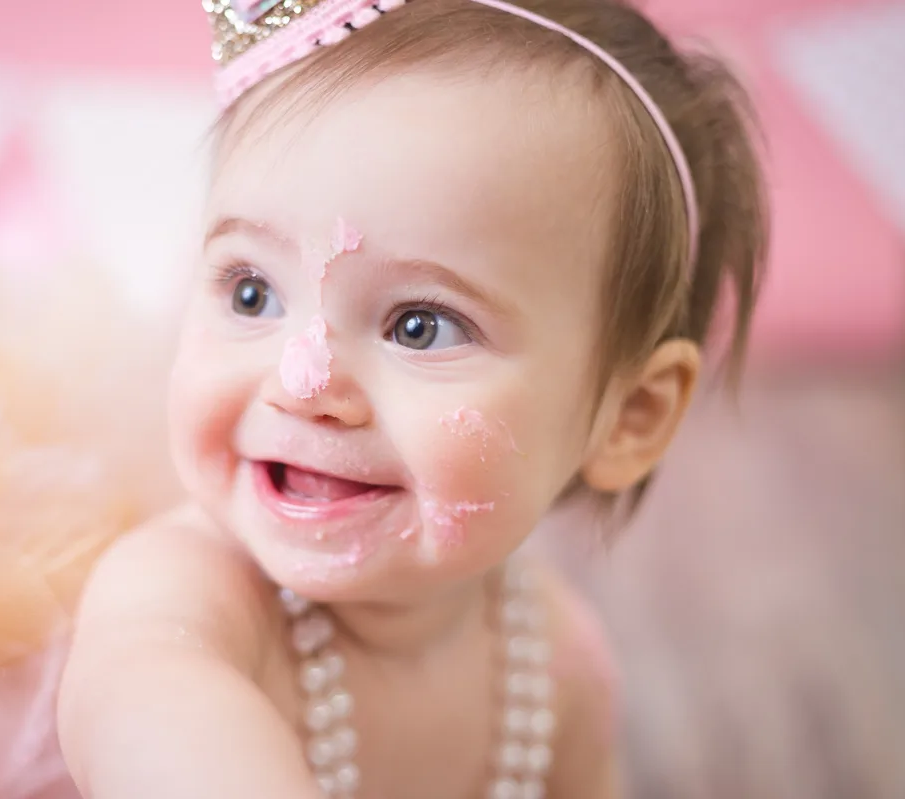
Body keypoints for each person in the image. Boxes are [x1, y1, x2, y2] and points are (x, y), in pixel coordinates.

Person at [58, 0, 768, 796]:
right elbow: (146, 715)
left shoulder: (556, 665)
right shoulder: (181, 596)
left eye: (421, 326)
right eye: (252, 292)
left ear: (628, 416)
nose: (305, 381)